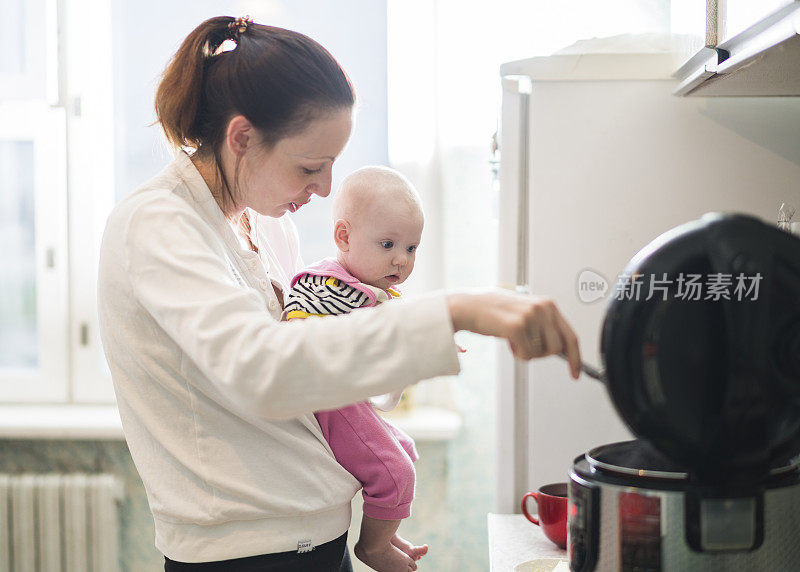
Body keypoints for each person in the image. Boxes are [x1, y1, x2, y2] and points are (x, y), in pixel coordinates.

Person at [97, 15, 582, 572]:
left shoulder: (264, 223)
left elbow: (317, 369)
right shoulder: (156, 225)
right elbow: (263, 370)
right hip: (244, 558)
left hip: (318, 539)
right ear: (242, 138)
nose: (326, 187)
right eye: (310, 166)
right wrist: (454, 310)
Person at [283, 166, 429, 572]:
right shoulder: (328, 285)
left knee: (404, 450)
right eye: (388, 244)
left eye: (412, 248)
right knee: (396, 473)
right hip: (330, 401)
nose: (401, 259)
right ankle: (373, 548)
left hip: (347, 398)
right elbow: (312, 326)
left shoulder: (363, 287)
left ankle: (383, 531)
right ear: (344, 236)